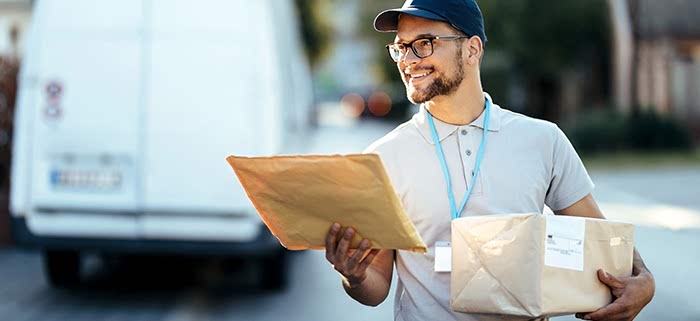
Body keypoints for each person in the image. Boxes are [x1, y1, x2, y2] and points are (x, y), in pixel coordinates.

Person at [324, 0, 655, 320]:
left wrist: (644, 281)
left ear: (472, 49)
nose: (408, 59)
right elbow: (376, 285)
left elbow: (601, 239)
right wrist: (354, 276)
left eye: (424, 43)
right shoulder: (383, 157)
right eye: (401, 46)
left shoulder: (543, 140)